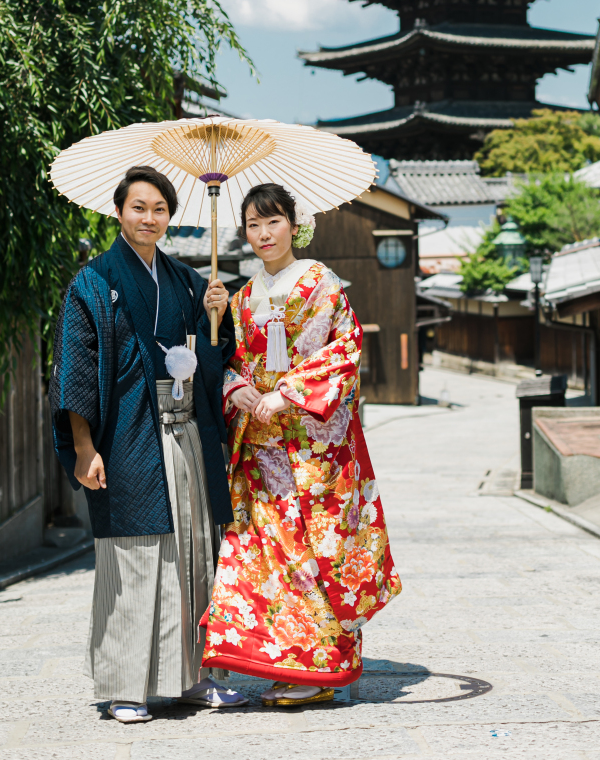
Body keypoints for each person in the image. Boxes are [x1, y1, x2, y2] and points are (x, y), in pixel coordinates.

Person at [50, 165, 248, 721]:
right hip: (128, 431)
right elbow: (78, 371)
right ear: (119, 212)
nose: (149, 218)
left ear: (169, 216)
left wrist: (216, 318)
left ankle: (194, 677)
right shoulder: (93, 283)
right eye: (139, 207)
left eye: (159, 209)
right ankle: (125, 688)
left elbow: (212, 360)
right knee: (133, 555)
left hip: (186, 427)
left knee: (193, 552)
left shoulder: (186, 280)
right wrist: (85, 446)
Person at [201, 182, 401, 705]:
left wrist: (286, 396)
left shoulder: (321, 284)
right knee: (268, 555)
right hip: (262, 450)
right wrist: (236, 383)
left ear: (294, 223)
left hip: (314, 452)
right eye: (253, 225)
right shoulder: (240, 297)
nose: (264, 234)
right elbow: (232, 362)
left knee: (316, 554)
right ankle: (282, 664)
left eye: (273, 222)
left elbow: (344, 351)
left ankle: (320, 670)